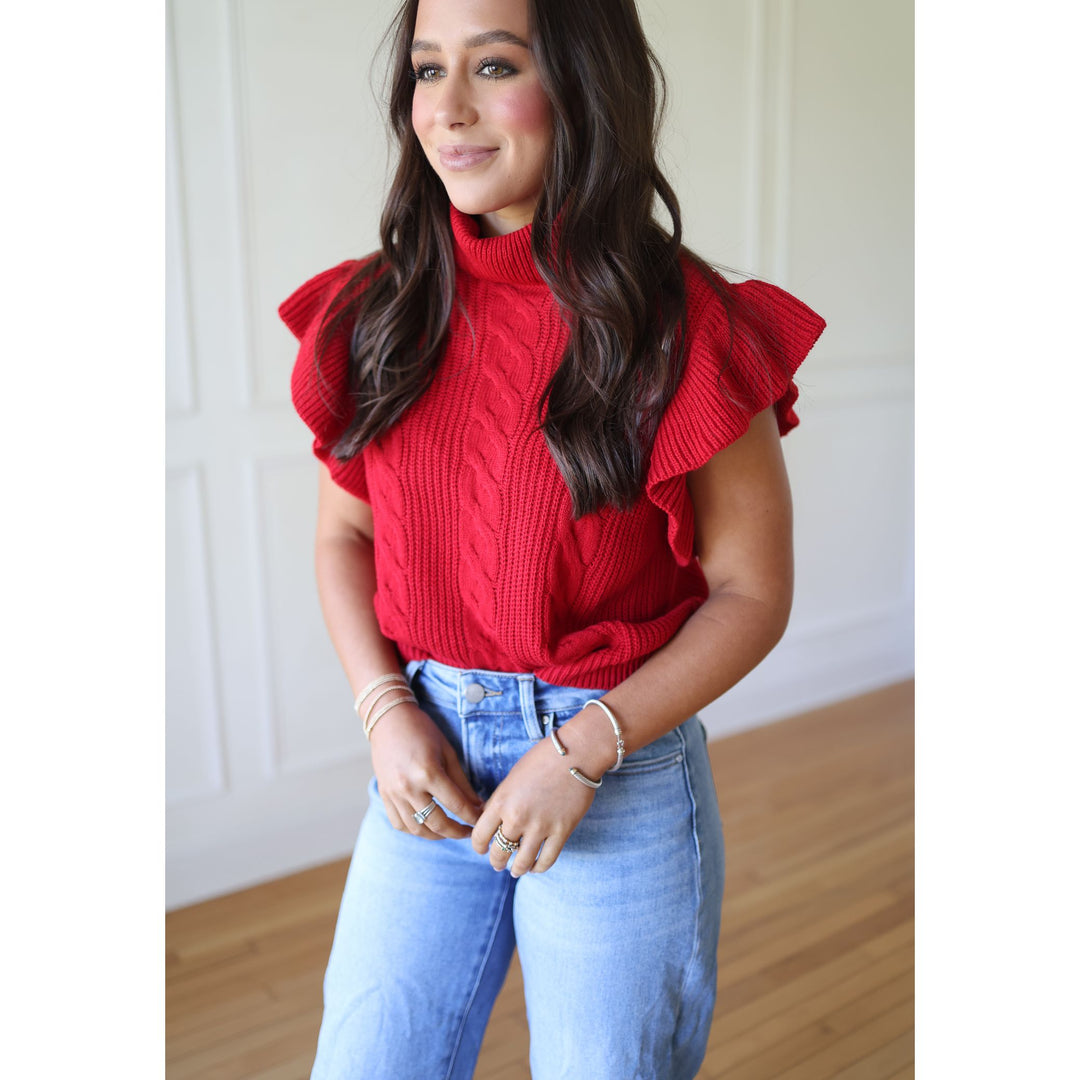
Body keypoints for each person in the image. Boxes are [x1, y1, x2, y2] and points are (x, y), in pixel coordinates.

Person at [279, 0, 825, 1076]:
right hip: (422, 762)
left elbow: (752, 592)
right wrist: (386, 710)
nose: (449, 107)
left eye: (494, 65)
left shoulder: (684, 324)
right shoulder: (378, 313)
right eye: (428, 71)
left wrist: (581, 753)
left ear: (582, 83)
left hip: (612, 761)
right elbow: (346, 533)